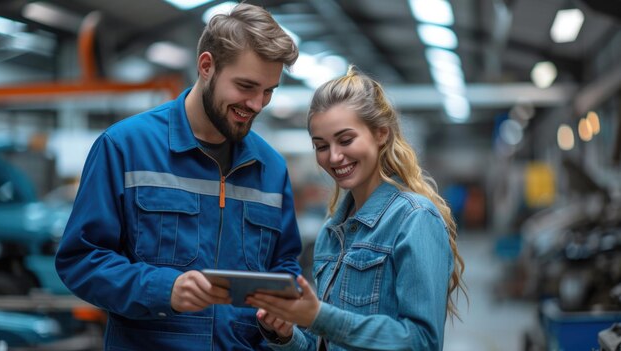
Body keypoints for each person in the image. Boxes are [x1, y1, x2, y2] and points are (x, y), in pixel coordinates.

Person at [55, 3, 303, 350]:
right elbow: (81, 258)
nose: (258, 104)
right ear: (206, 66)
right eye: (246, 86)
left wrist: (281, 318)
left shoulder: (270, 168)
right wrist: (162, 288)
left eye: (269, 91)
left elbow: (284, 264)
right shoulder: (125, 147)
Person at [246, 67, 466, 350]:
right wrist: (284, 334)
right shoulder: (331, 232)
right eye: (321, 145)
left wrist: (320, 317)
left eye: (346, 140)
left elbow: (422, 342)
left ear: (380, 134)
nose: (334, 156)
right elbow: (323, 344)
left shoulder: (415, 219)